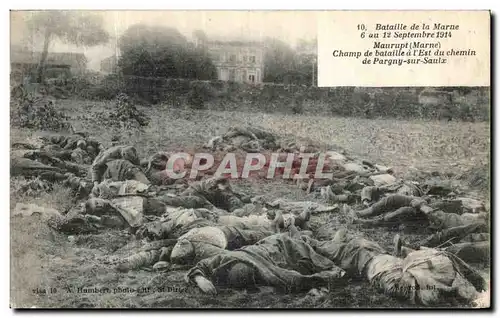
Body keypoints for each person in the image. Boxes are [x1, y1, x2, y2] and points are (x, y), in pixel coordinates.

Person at [306, 229, 487, 306]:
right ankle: (325, 240)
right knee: (357, 245)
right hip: (385, 260)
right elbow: (468, 274)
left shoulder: (433, 283)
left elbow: (400, 286)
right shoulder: (445, 265)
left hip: (374, 265)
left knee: (347, 249)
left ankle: (315, 241)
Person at [185, 233, 346, 294]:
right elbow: (201, 266)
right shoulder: (226, 259)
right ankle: (323, 240)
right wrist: (200, 279)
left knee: (315, 251)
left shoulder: (266, 271)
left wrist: (325, 278)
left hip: (281, 243)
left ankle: (330, 240)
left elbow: (294, 279)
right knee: (312, 253)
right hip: (276, 252)